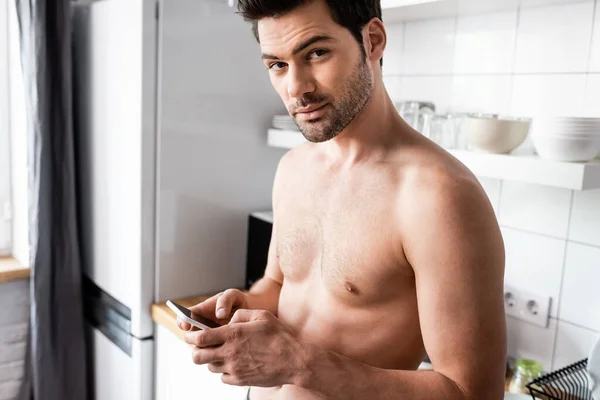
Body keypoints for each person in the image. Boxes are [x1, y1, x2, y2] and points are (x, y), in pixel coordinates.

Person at [177, 0, 507, 399]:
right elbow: (279, 284)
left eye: (316, 53)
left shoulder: (439, 196)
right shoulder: (294, 168)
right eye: (277, 65)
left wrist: (300, 364)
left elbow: (473, 392)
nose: (296, 87)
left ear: (372, 40)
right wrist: (243, 304)